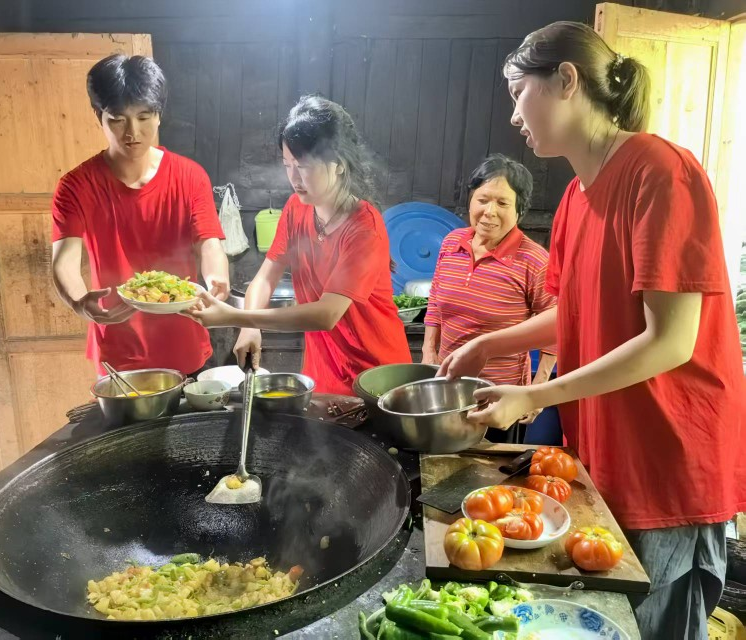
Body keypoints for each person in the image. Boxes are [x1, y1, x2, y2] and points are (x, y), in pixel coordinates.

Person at [439, 22, 745, 639]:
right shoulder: (577, 198)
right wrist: (488, 342)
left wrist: (534, 394)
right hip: (605, 451)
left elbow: (670, 341)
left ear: (566, 80)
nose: (514, 116)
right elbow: (574, 313)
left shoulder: (660, 171)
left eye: (519, 92)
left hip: (666, 459)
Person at [187, 95, 411, 394]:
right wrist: (249, 327)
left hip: (377, 378)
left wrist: (232, 316)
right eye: (287, 164)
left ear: (340, 164)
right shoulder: (296, 208)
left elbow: (326, 314)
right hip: (325, 375)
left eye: (303, 165)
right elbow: (265, 278)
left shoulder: (364, 226)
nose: (294, 177)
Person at [51, 54, 229, 377]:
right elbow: (64, 260)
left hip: (184, 340)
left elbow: (209, 244)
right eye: (118, 119)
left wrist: (217, 278)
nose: (132, 132)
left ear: (158, 116)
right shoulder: (75, 186)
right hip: (118, 347)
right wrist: (79, 301)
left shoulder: (190, 177)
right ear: (99, 116)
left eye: (144, 116)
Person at [421, 154, 556, 435]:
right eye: (482, 200)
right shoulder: (451, 243)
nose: (489, 212)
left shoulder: (534, 260)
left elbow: (557, 327)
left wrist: (537, 390)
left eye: (503, 203)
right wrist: (428, 350)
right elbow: (435, 300)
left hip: (500, 398)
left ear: (520, 209)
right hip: (447, 390)